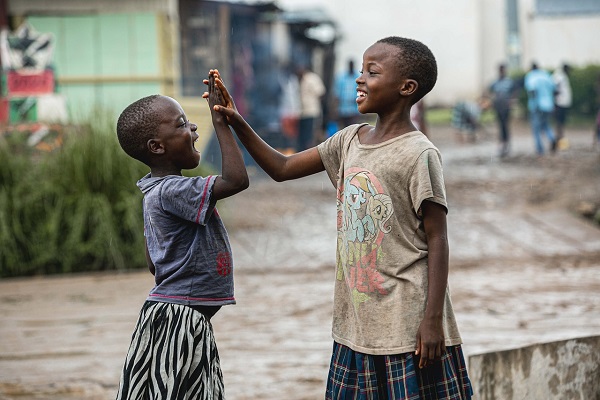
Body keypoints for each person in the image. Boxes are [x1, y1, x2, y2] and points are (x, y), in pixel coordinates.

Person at [211, 37, 473, 399]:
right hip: (356, 323)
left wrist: (431, 322)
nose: (359, 79)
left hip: (406, 323)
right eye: (362, 69)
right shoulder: (349, 139)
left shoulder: (419, 153)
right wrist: (237, 121)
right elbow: (282, 167)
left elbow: (438, 238)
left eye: (372, 72)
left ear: (406, 88)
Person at [114, 71, 249, 399]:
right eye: (181, 124)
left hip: (178, 319)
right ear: (157, 147)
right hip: (180, 321)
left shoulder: (153, 191)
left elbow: (153, 263)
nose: (193, 128)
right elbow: (236, 180)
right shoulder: (173, 190)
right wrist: (221, 123)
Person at [524, 62, 557, 155]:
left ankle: (540, 149)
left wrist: (535, 104)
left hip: (537, 106)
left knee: (536, 128)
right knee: (546, 125)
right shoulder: (546, 75)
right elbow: (555, 89)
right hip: (548, 105)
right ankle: (552, 138)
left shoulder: (531, 76)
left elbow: (532, 90)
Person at [295, 64, 326, 151]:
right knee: (302, 137)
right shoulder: (298, 80)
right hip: (301, 113)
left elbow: (321, 93)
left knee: (310, 137)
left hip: (312, 112)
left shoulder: (312, 78)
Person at [489, 63, 516, 157]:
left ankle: (506, 143)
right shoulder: (495, 82)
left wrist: (511, 101)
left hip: (506, 107)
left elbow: (514, 92)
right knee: (500, 125)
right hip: (498, 107)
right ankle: (502, 143)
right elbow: (490, 91)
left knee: (505, 125)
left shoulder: (509, 82)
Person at [334, 59, 362, 127]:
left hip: (354, 109)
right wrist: (335, 108)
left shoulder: (358, 77)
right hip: (343, 109)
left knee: (353, 128)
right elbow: (337, 93)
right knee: (344, 129)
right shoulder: (341, 78)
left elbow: (361, 91)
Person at [552, 63, 572, 148]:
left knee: (561, 122)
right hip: (559, 103)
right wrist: (556, 98)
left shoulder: (563, 76)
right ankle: (558, 138)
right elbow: (554, 88)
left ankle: (560, 137)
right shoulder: (559, 76)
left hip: (562, 103)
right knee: (559, 122)